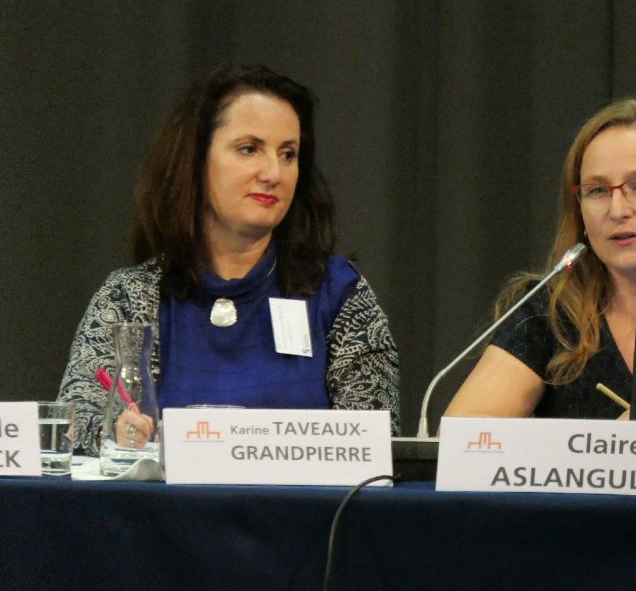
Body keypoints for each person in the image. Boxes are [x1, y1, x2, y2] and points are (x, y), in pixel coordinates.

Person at [58, 65, 400, 455]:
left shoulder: (339, 294)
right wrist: (115, 433)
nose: (273, 173)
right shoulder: (131, 297)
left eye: (288, 154)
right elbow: (72, 430)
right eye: (249, 149)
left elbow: (376, 447)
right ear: (195, 159)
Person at [444, 98, 636, 421]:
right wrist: (607, 443)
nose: (618, 210)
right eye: (597, 191)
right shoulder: (550, 314)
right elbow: (462, 437)